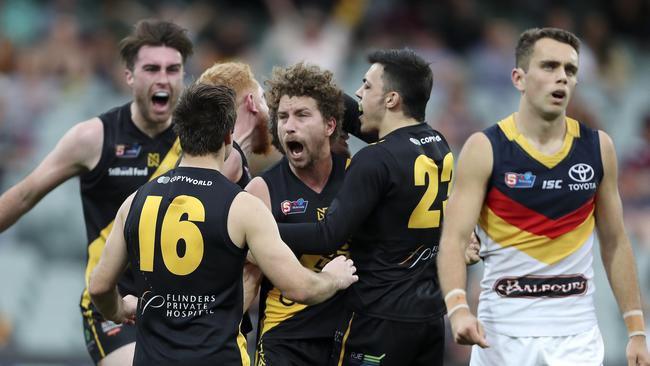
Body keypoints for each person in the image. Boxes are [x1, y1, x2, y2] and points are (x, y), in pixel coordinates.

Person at [88, 83, 358, 365]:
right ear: (229, 136)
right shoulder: (242, 207)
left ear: (179, 135)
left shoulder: (135, 202)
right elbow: (301, 288)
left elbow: (98, 287)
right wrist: (333, 278)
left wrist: (119, 310)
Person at [436, 27, 650, 366]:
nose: (562, 78)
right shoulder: (485, 148)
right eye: (549, 67)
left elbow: (615, 241)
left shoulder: (599, 148)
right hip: (501, 335)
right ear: (518, 78)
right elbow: (453, 238)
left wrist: (636, 331)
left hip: (576, 335)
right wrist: (459, 308)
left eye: (570, 70)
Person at [0, 19, 193, 365]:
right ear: (129, 75)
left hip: (186, 307)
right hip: (115, 307)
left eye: (172, 69)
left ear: (183, 76)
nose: (163, 78)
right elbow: (25, 194)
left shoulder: (199, 142)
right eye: (151, 68)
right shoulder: (94, 137)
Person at [276, 48, 452, 366]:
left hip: (378, 318)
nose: (359, 93)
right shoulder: (438, 143)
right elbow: (388, 146)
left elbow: (328, 235)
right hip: (427, 316)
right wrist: (316, 87)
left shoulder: (374, 158)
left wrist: (258, 231)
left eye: (367, 86)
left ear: (392, 99)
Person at [244, 62, 349, 366]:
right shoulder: (261, 190)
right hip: (285, 338)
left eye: (302, 115)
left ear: (330, 125)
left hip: (349, 336)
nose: (289, 125)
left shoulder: (358, 177)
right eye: (282, 116)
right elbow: (246, 278)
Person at [197, 61, 273, 188]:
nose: (269, 110)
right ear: (251, 102)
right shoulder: (230, 157)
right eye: (263, 97)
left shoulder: (205, 154)